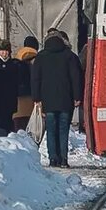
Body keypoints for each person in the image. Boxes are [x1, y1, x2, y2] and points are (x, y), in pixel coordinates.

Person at [32, 32, 83, 167]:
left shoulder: (41, 57)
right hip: (66, 100)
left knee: (51, 129)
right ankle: (64, 159)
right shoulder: (70, 56)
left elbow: (36, 79)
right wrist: (77, 96)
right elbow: (76, 78)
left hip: (47, 101)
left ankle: (53, 158)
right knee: (63, 129)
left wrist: (37, 98)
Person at [12, 36, 39, 132]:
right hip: (33, 101)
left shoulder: (15, 60)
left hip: (17, 103)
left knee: (18, 136)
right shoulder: (38, 61)